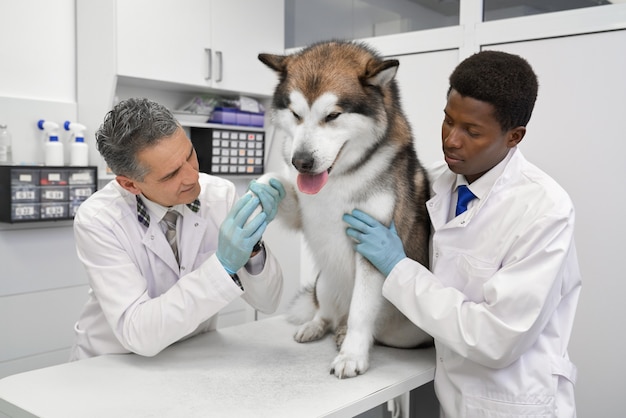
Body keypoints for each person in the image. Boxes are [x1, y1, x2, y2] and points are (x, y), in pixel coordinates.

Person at [343, 51, 581, 417]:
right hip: (451, 392)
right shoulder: (437, 182)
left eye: (472, 131)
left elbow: (496, 338)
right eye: (447, 120)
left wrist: (397, 267)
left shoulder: (545, 210)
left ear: (514, 136)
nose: (452, 140)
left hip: (512, 404)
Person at [69, 97, 285, 360]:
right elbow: (139, 332)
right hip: (115, 362)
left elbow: (268, 302)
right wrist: (222, 266)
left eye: (190, 155)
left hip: (190, 356)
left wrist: (253, 247)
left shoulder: (219, 195)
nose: (193, 176)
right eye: (170, 175)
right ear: (130, 185)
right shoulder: (99, 220)